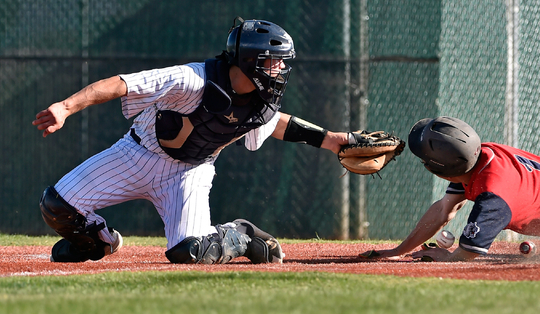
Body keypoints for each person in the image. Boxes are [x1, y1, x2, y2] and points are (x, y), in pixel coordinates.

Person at [33, 18, 354, 264]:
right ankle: (99, 242)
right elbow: (123, 85)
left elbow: (278, 125)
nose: (281, 68)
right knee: (57, 206)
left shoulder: (260, 103)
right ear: (249, 62)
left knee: (189, 251)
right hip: (135, 154)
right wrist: (65, 107)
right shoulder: (192, 80)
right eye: (274, 61)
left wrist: (332, 140)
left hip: (189, 172)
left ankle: (241, 235)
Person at [363, 116, 540, 262]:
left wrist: (446, 257)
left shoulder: (492, 197)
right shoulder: (483, 155)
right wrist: (399, 251)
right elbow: (444, 209)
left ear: (438, 168)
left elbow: (468, 253)